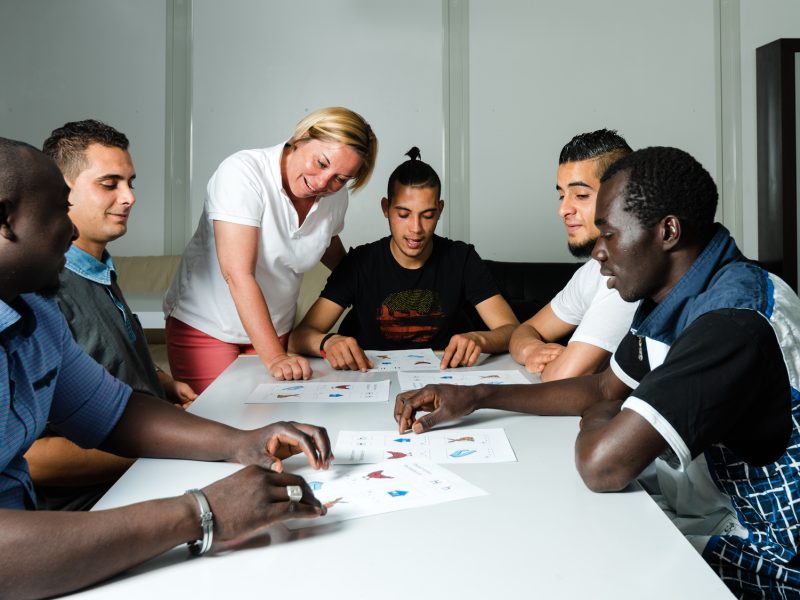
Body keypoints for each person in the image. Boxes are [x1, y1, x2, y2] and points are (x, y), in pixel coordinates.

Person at [395, 146, 800, 598]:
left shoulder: (733, 320)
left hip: (765, 555)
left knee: (557, 566)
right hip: (711, 508)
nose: (600, 253)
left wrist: (601, 413)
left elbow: (603, 464)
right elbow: (605, 386)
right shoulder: (677, 289)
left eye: (609, 234)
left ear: (667, 231)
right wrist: (477, 397)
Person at [0, 138, 331, 599]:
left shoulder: (37, 313)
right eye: (58, 211)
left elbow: (116, 412)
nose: (70, 231)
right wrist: (201, 511)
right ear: (3, 220)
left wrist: (240, 442)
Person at [22, 120, 197, 511]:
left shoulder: (98, 269)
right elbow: (33, 459)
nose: (130, 197)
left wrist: (164, 384)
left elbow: (106, 354)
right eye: (110, 183)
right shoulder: (41, 291)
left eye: (131, 182)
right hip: (92, 507)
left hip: (148, 476)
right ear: (59, 191)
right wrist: (165, 446)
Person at [164, 107, 378, 391]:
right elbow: (237, 274)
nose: (323, 182)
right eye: (321, 163)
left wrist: (370, 286)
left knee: (275, 426)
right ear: (301, 137)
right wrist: (276, 357)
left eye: (341, 178)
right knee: (222, 427)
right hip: (208, 327)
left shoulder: (333, 197)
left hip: (275, 327)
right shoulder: (242, 173)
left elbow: (325, 242)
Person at [289, 147, 518, 370]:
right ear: (386, 208)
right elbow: (299, 336)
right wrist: (327, 342)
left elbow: (511, 330)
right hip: (370, 378)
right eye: (404, 214)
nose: (416, 229)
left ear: (439, 210)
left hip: (444, 382)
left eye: (427, 215)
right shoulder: (360, 262)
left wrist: (481, 340)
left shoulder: (462, 258)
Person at [509, 129, 638, 381]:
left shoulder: (633, 272)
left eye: (580, 195)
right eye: (561, 195)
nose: (562, 209)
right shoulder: (592, 271)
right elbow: (526, 329)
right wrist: (531, 349)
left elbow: (563, 378)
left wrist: (556, 365)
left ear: (622, 194)